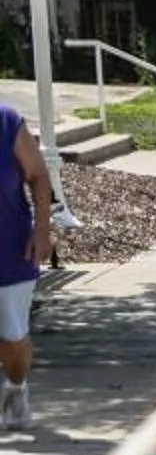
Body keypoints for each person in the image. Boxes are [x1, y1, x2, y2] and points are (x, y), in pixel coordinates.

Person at [0, 99, 52, 430]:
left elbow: (39, 176)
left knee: (12, 338)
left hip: (10, 249)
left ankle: (16, 386)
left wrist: (42, 230)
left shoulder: (6, 121)